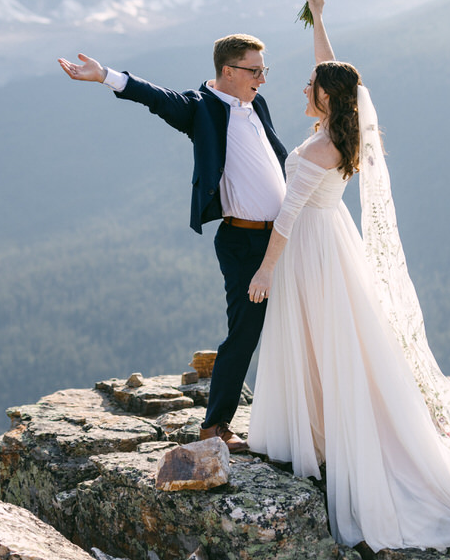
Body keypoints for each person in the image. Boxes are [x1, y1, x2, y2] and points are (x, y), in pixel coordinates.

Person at [246, 0, 450, 560]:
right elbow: (338, 74)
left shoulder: (322, 147)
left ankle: (328, 440)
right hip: (333, 246)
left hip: (311, 253)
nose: (301, 90)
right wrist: (319, 20)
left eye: (309, 87)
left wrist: (265, 271)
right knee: (340, 345)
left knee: (322, 342)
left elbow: (287, 218)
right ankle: (329, 433)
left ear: (325, 99)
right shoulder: (345, 131)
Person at [57, 23, 304, 452]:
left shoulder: (257, 104)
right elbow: (157, 98)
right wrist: (105, 76)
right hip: (244, 243)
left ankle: (300, 421)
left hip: (285, 239)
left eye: (264, 71)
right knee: (244, 334)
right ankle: (215, 428)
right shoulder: (201, 109)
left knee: (300, 325)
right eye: (255, 71)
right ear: (228, 71)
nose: (263, 79)